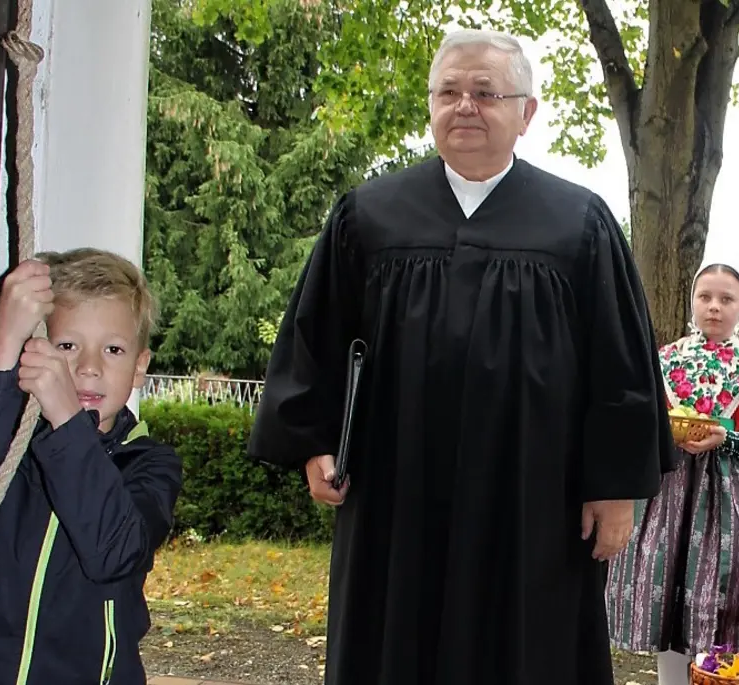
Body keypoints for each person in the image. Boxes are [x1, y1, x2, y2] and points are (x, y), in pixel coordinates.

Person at [247, 28, 673, 685]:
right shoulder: (370, 217)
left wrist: (614, 485)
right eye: (448, 92)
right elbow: (316, 337)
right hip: (397, 488)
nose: (464, 106)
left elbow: (620, 364)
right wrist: (314, 442)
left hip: (535, 494)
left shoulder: (577, 224)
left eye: (485, 92)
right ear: (430, 105)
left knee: (529, 645)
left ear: (526, 112)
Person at [0, 249, 181, 685]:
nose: (89, 367)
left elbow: (114, 553)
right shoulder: (11, 443)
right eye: (67, 346)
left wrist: (68, 420)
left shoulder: (151, 463)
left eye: (114, 349)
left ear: (139, 367)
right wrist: (3, 340)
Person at [606, 256, 739, 685]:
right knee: (669, 612)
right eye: (705, 297)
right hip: (670, 497)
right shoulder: (667, 359)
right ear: (692, 302)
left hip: (731, 505)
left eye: (727, 299)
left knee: (718, 612)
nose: (714, 307)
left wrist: (726, 439)